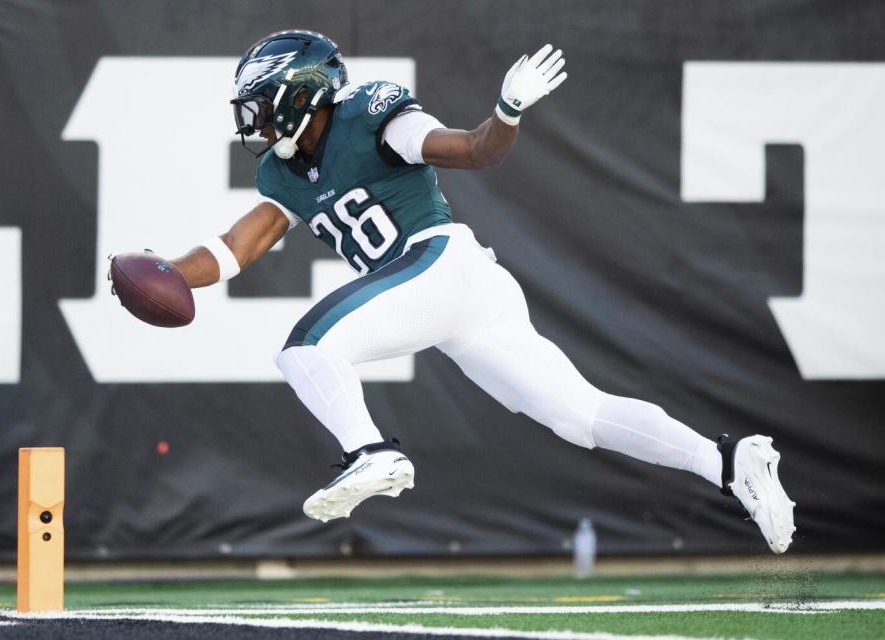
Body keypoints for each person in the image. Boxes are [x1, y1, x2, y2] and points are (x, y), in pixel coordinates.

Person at [166, 30, 795, 553]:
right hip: (460, 297)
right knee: (580, 416)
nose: (256, 120)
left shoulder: (369, 114)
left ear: (302, 94)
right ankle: (727, 463)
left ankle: (372, 452)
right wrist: (165, 272)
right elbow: (234, 249)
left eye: (264, 104)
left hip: (440, 263)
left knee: (306, 346)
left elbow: (472, 150)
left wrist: (507, 113)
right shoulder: (281, 171)